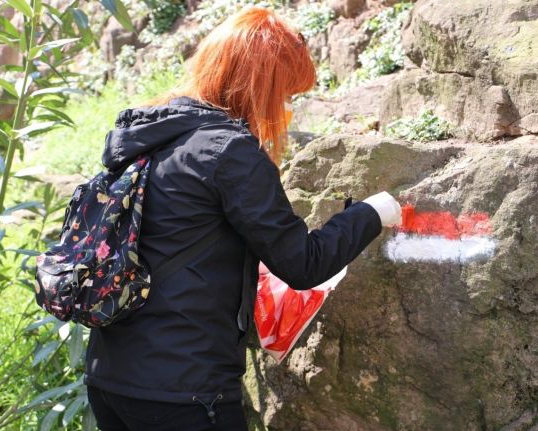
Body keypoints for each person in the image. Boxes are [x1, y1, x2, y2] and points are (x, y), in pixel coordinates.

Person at [84, 6, 402, 430]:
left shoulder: (151, 139)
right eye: (285, 94)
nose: (286, 110)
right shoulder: (229, 152)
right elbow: (304, 264)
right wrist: (371, 213)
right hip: (184, 392)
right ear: (263, 84)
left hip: (111, 378)